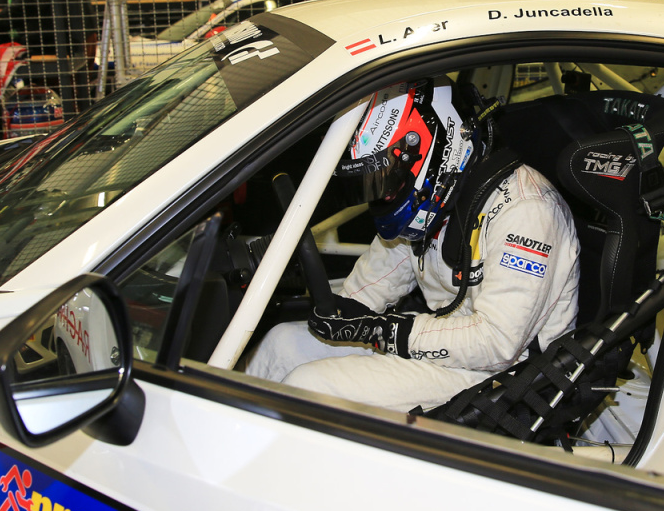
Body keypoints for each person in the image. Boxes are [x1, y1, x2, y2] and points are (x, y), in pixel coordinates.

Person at [246, 78, 580, 412]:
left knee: (309, 386)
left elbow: (498, 343)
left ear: (433, 150)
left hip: (504, 375)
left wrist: (386, 331)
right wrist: (345, 311)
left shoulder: (528, 210)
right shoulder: (436, 195)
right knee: (279, 344)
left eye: (387, 182)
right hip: (445, 346)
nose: (384, 194)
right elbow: (379, 276)